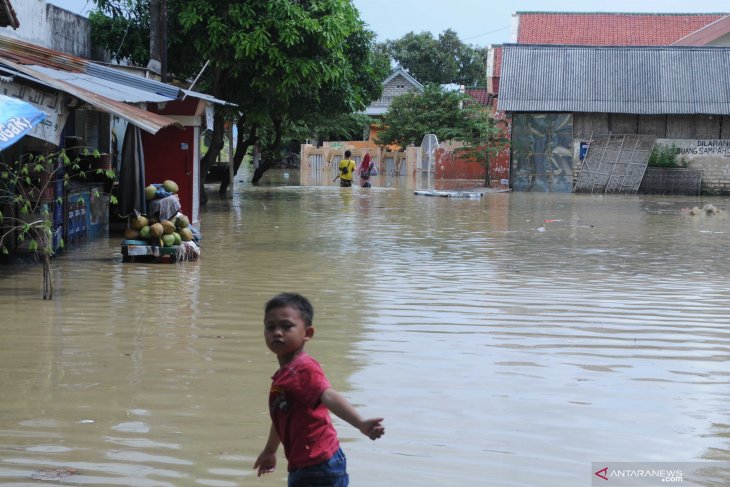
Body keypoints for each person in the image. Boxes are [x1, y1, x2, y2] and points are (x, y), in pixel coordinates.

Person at [254, 293, 385, 486]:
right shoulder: (285, 374)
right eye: (270, 327)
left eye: (286, 326)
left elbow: (328, 394)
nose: (277, 332)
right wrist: (270, 450)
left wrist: (360, 423)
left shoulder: (304, 367)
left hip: (319, 465)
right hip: (304, 466)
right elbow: (281, 417)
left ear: (307, 333)